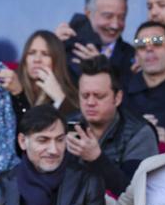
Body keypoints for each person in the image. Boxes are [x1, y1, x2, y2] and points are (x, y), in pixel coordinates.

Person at [66, 56, 159, 194]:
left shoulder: (140, 133)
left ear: (117, 98)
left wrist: (96, 159)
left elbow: (134, 194)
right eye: (85, 96)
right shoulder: (66, 124)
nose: (90, 102)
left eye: (99, 96)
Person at [54, 0, 134, 76]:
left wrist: (102, 66)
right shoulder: (65, 45)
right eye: (108, 16)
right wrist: (52, 48)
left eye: (121, 18)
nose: (115, 25)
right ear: (88, 13)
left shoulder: (131, 55)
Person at [0, 30, 78, 118]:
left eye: (45, 54)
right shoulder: (10, 89)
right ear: (25, 58)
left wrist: (59, 97)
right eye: (32, 53)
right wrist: (19, 95)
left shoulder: (72, 94)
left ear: (56, 61)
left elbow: (75, 125)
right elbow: (25, 127)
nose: (37, 59)